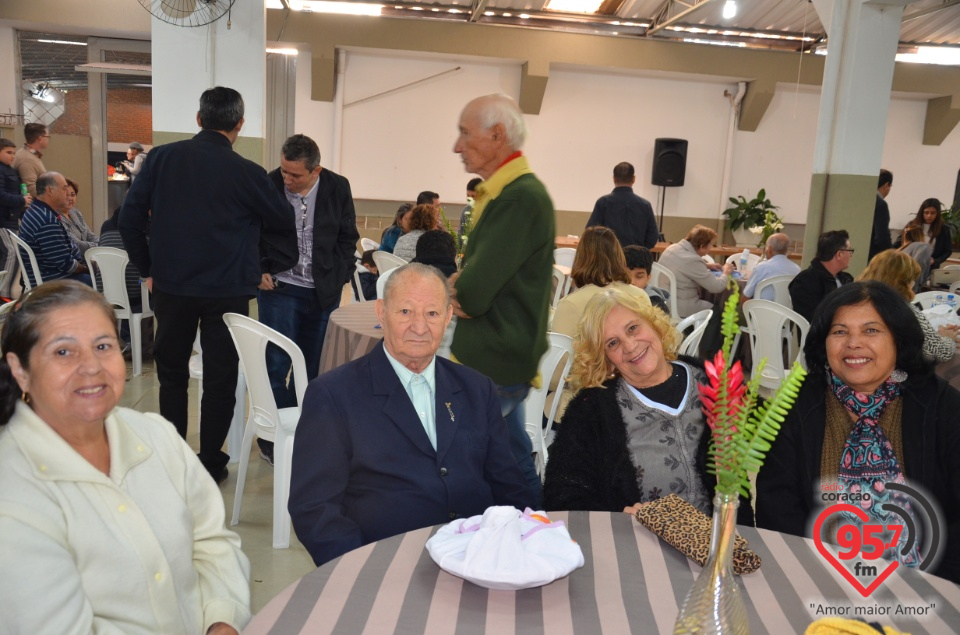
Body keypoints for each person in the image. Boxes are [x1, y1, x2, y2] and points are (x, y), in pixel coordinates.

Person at [0, 280, 251, 633]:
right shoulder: (14, 496)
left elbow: (213, 542)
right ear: (20, 370)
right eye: (63, 352)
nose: (91, 367)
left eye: (103, 346)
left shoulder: (156, 435)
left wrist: (223, 620)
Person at [288, 264, 538, 566]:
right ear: (381, 312)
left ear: (447, 317)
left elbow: (509, 485)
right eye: (405, 312)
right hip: (384, 564)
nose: (419, 327)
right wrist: (361, 570)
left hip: (478, 561)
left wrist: (523, 545)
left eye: (432, 314)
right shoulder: (333, 396)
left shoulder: (476, 388)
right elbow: (314, 509)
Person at [119, 86, 298, 483]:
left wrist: (148, 268)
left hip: (172, 286)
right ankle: (210, 462)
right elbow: (283, 223)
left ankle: (174, 456)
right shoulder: (249, 173)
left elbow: (128, 220)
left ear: (199, 119)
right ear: (239, 124)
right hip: (228, 290)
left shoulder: (162, 159)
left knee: (171, 373)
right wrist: (261, 264)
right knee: (220, 378)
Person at [756, 282, 960, 583]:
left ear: (898, 340)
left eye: (871, 330)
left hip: (928, 582)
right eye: (839, 332)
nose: (853, 343)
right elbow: (777, 507)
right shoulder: (797, 404)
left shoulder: (940, 405)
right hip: (817, 578)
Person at [543, 286, 752, 523]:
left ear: (654, 323)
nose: (630, 346)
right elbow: (560, 495)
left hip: (721, 542)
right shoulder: (591, 410)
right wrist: (616, 517)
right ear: (606, 360)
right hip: (642, 545)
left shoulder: (712, 381)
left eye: (633, 328)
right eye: (612, 343)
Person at [451, 94, 555, 503]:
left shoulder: (517, 197)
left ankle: (514, 539)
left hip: (494, 360)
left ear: (497, 136)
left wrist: (461, 288)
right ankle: (535, 531)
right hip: (498, 355)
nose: (457, 146)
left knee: (465, 468)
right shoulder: (508, 193)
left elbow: (473, 294)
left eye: (464, 133)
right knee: (512, 460)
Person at [256, 133, 358, 464]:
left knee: (318, 369)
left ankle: (309, 434)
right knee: (276, 365)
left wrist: (340, 274)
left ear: (316, 170)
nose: (287, 179)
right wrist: (259, 268)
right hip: (280, 288)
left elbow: (347, 237)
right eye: (284, 170)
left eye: (295, 175)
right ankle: (277, 434)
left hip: (322, 293)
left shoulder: (337, 187)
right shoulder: (269, 183)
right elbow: (251, 230)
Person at [857, 249, 957, 363]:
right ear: (904, 282)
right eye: (912, 280)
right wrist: (948, 338)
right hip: (895, 373)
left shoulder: (854, 302)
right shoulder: (905, 311)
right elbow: (939, 352)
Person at [18, 172, 91, 285]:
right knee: (105, 281)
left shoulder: (35, 210)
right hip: (55, 281)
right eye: (64, 188)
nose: (67, 193)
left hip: (51, 274)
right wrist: (90, 270)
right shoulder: (46, 220)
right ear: (50, 191)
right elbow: (67, 264)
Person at [657, 224, 735, 318]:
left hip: (662, 301)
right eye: (711, 245)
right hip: (680, 306)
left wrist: (706, 265)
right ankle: (699, 333)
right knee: (715, 311)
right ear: (702, 246)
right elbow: (716, 287)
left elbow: (680, 265)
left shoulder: (673, 248)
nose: (711, 248)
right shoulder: (692, 260)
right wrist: (726, 272)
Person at [586, 162, 659, 249]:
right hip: (636, 259)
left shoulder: (603, 202)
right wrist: (640, 250)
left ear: (614, 179)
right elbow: (652, 237)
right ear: (633, 179)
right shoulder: (645, 205)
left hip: (609, 257)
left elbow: (590, 233)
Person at [788, 229, 854, 323]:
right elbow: (813, 319)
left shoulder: (846, 279)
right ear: (839, 254)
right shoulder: (805, 281)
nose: (851, 255)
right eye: (850, 251)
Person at [0, 138, 31, 298]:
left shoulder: (10, 171)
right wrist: (21, 200)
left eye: (13, 152)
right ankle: (3, 291)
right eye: (8, 152)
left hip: (12, 220)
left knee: (15, 252)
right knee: (12, 251)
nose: (12, 156)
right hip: (3, 221)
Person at [742, 232, 800, 301]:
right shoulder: (797, 269)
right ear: (786, 250)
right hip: (786, 311)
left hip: (762, 310)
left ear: (769, 249)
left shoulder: (762, 267)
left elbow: (746, 296)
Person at [907, 198, 952, 270]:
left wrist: (936, 261)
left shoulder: (944, 229)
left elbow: (947, 251)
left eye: (933, 213)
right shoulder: (912, 225)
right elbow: (900, 243)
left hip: (930, 267)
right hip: (910, 265)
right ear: (921, 212)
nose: (929, 216)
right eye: (926, 212)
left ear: (938, 213)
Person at [623, 245, 670, 314]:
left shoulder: (654, 303)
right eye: (626, 276)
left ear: (648, 278)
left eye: (639, 276)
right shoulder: (611, 296)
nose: (632, 282)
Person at [60, 178, 98, 254]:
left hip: (90, 254)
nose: (70, 198)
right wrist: (99, 246)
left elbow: (90, 235)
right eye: (66, 195)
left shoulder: (75, 212)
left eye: (73, 195)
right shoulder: (55, 217)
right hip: (75, 260)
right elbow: (77, 245)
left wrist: (102, 243)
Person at [13, 122, 48, 197]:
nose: (48, 139)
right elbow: (31, 189)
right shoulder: (27, 159)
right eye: (47, 137)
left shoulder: (31, 155)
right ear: (40, 138)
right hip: (31, 206)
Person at [897, 224, 932, 293]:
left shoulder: (901, 250)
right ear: (921, 235)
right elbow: (917, 268)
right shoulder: (923, 247)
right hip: (909, 289)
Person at [869, 169, 893, 261]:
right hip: (873, 257)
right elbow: (882, 237)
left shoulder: (862, 200)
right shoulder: (880, 204)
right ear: (886, 185)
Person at [458, 177, 482, 248]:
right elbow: (461, 233)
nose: (469, 199)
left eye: (473, 196)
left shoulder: (488, 209)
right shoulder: (466, 210)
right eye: (468, 195)